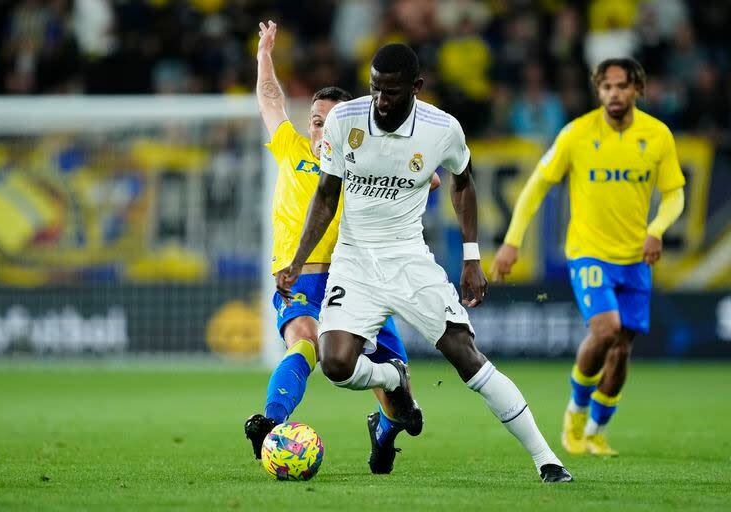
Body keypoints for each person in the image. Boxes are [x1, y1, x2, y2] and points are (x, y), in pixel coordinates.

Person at [276, 43, 572, 483]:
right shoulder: (345, 119)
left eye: (392, 92)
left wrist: (472, 257)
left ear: (416, 88)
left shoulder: (441, 129)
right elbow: (326, 194)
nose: (380, 100)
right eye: (375, 89)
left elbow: (463, 183)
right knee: (335, 365)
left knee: (465, 357)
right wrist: (298, 260)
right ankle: (393, 377)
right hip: (354, 261)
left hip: (409, 259)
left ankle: (547, 459)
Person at [245, 22, 438, 474]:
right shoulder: (291, 149)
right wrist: (264, 55)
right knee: (305, 343)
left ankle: (384, 430)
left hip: (359, 279)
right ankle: (270, 423)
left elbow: (418, 172)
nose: (319, 130)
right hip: (301, 277)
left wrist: (424, 174)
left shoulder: (366, 162)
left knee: (398, 391)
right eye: (315, 121)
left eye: (330, 122)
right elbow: (271, 100)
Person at [492, 58, 685, 456]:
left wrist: (656, 229)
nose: (614, 93)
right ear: (598, 92)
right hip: (588, 253)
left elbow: (674, 194)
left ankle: (595, 429)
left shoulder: (658, 136)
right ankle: (576, 411)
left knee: (622, 347)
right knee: (606, 330)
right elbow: (535, 186)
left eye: (621, 86)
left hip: (635, 258)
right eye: (606, 87)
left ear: (637, 90)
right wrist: (512, 241)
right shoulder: (576, 134)